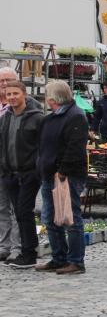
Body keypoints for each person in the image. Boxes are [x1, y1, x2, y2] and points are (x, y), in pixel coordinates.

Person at [35, 80, 89, 274]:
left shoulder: (75, 117)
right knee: (50, 218)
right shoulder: (51, 118)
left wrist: (63, 170)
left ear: (53, 98)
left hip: (67, 176)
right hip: (49, 175)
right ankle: (59, 258)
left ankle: (76, 261)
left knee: (70, 218)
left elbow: (74, 147)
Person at [0, 81, 43, 268]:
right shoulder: (5, 118)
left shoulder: (37, 118)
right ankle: (25, 251)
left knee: (25, 212)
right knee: (18, 212)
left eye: (15, 93)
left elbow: (43, 146)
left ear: (24, 94)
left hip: (29, 173)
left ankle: (29, 253)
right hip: (10, 173)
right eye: (9, 94)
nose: (12, 97)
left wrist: (37, 169)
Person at [0, 67, 21, 263]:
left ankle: (17, 247)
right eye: (2, 81)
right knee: (1, 207)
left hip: (16, 165)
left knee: (18, 208)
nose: (5, 85)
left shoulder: (23, 105)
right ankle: (3, 246)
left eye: (9, 80)